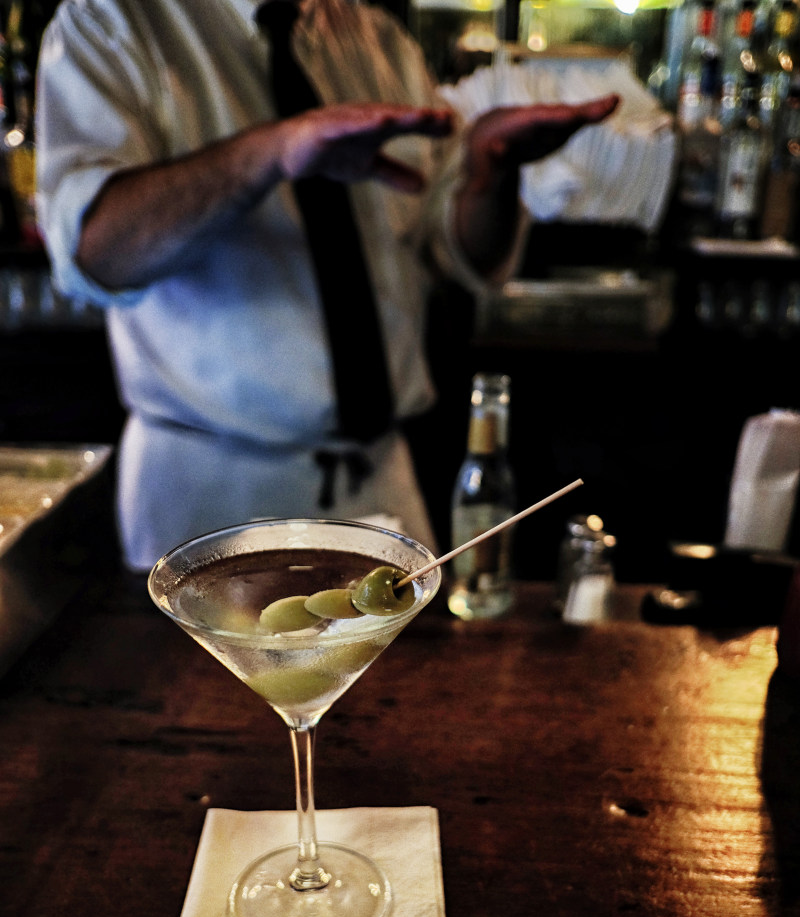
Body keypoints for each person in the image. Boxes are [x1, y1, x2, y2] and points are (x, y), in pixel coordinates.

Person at [35, 0, 617, 570]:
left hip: (382, 482)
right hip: (213, 496)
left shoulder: (376, 38)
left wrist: (491, 172)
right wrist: (272, 151)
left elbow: (457, 256)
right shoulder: (112, 20)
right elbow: (93, 251)